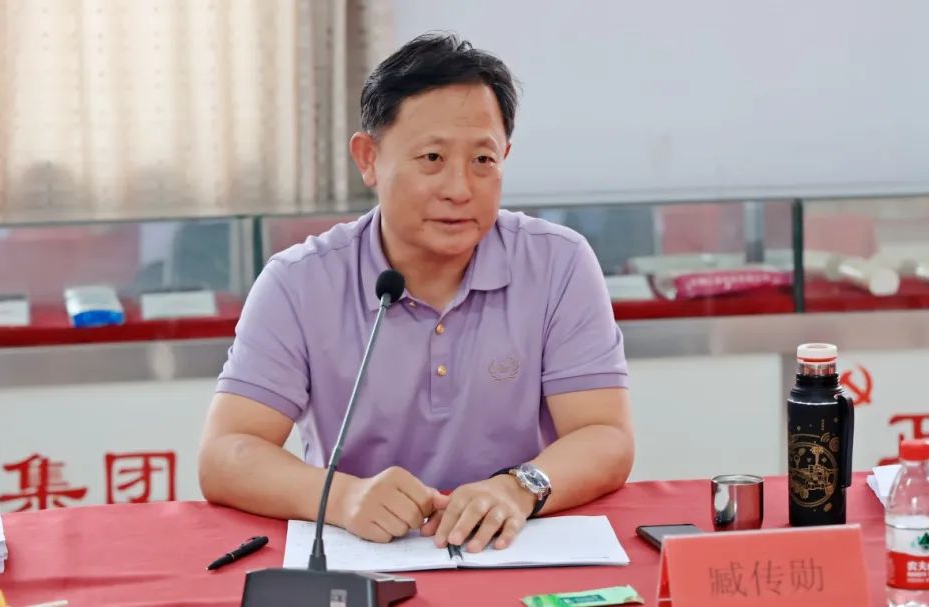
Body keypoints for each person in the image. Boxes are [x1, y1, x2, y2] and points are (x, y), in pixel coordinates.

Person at [197, 32, 634, 554]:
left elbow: (604, 435)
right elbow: (227, 452)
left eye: (483, 160)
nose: (459, 189)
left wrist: (517, 489)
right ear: (368, 158)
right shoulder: (299, 281)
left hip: (510, 547)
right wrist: (343, 498)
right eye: (432, 157)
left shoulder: (558, 263)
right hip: (361, 553)